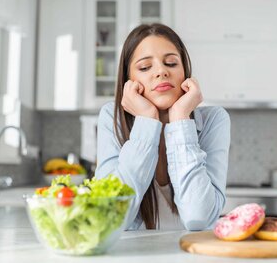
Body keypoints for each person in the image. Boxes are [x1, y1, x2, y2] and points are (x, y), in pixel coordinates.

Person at [95, 23, 230, 230]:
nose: (161, 71)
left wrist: (180, 119)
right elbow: (109, 217)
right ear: (129, 80)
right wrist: (147, 121)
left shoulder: (215, 119)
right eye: (145, 67)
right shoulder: (111, 118)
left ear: (185, 72)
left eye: (171, 63)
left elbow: (199, 218)